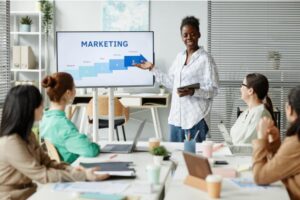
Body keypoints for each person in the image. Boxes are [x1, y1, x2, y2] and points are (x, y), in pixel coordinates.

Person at [0, 85, 109, 200]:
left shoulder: (28, 135)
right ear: (29, 108)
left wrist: (72, 169)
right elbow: (41, 174)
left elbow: (48, 163)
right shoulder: (10, 142)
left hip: (29, 193)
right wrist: (82, 176)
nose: (43, 107)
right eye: (40, 104)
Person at [135, 16, 219, 142]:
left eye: (192, 34)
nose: (189, 38)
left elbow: (213, 90)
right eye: (185, 35)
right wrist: (152, 68)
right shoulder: (179, 57)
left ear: (199, 34)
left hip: (195, 118)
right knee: (175, 156)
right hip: (176, 118)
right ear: (181, 37)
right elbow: (171, 82)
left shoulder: (206, 59)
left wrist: (193, 91)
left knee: (192, 158)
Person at [40, 72, 100, 164]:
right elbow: (90, 151)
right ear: (68, 93)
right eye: (74, 87)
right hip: (72, 169)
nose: (75, 90)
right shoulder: (63, 125)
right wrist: (96, 146)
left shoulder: (44, 118)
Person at [252, 85, 300, 200]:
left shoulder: (296, 142)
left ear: (290, 109)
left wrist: (261, 138)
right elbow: (281, 166)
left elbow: (260, 177)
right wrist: (275, 143)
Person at [230, 73, 276, 145]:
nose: (240, 88)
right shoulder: (247, 111)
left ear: (250, 91)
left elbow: (243, 141)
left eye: (242, 85)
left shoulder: (261, 113)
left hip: (249, 155)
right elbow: (234, 136)